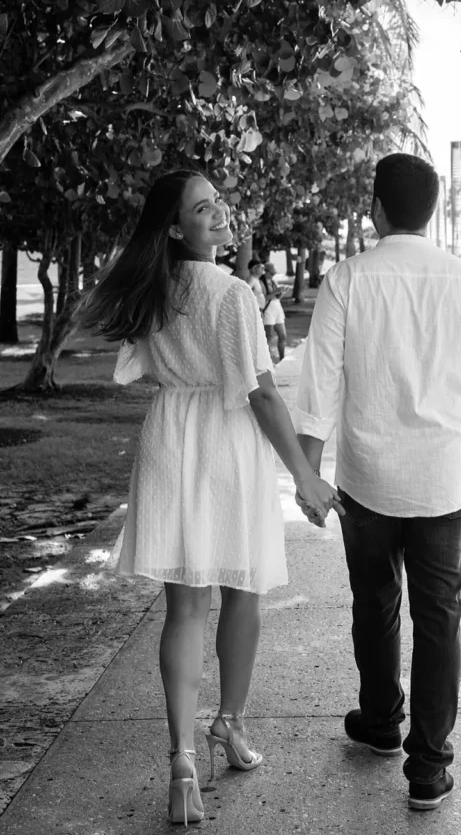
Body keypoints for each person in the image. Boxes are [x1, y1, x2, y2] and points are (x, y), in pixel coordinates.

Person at [79, 170, 342, 826]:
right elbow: (260, 394)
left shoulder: (152, 289)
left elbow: (139, 367)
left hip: (170, 434)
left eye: (219, 200)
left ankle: (183, 756)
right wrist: (305, 478)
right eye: (203, 209)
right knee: (243, 591)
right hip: (226, 442)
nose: (220, 212)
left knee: (184, 608)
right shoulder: (230, 294)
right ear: (176, 228)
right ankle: (228, 722)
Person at [293, 153, 461, 812]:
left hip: (368, 479)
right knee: (438, 617)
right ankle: (428, 769)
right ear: (431, 209)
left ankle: (381, 721)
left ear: (375, 207)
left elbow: (318, 386)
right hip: (443, 477)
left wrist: (307, 473)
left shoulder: (346, 280)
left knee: (373, 601)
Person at [262, 261, 287, 362]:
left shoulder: (273, 281)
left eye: (274, 273)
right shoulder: (262, 282)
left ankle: (282, 358)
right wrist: (276, 291)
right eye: (272, 273)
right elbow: (264, 298)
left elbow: (276, 297)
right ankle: (268, 361)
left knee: (283, 335)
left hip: (277, 309)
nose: (273, 275)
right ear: (266, 272)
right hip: (268, 311)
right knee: (269, 337)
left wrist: (282, 292)